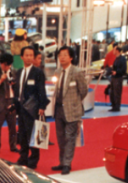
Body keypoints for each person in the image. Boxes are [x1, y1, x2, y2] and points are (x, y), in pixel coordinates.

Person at [51, 46, 87, 175]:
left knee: (70, 137)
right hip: (59, 109)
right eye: (60, 55)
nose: (62, 57)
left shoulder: (77, 72)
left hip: (72, 110)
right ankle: (61, 162)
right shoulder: (58, 71)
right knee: (60, 138)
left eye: (65, 55)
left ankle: (67, 163)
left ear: (71, 57)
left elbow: (84, 91)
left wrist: (75, 103)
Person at [12, 46, 49, 169]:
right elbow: (17, 90)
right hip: (21, 108)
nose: (29, 57)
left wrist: (42, 106)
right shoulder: (19, 72)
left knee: (33, 135)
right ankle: (23, 157)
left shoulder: (38, 72)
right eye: (26, 55)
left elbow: (41, 91)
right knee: (22, 135)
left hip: (32, 109)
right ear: (21, 57)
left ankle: (33, 160)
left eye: (31, 55)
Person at [109, 46, 127, 112]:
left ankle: (116, 107)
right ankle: (114, 106)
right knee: (112, 92)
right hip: (114, 78)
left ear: (117, 51)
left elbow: (124, 70)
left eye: (114, 49)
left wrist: (116, 72)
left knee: (117, 93)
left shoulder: (122, 59)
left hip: (118, 78)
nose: (113, 51)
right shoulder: (116, 58)